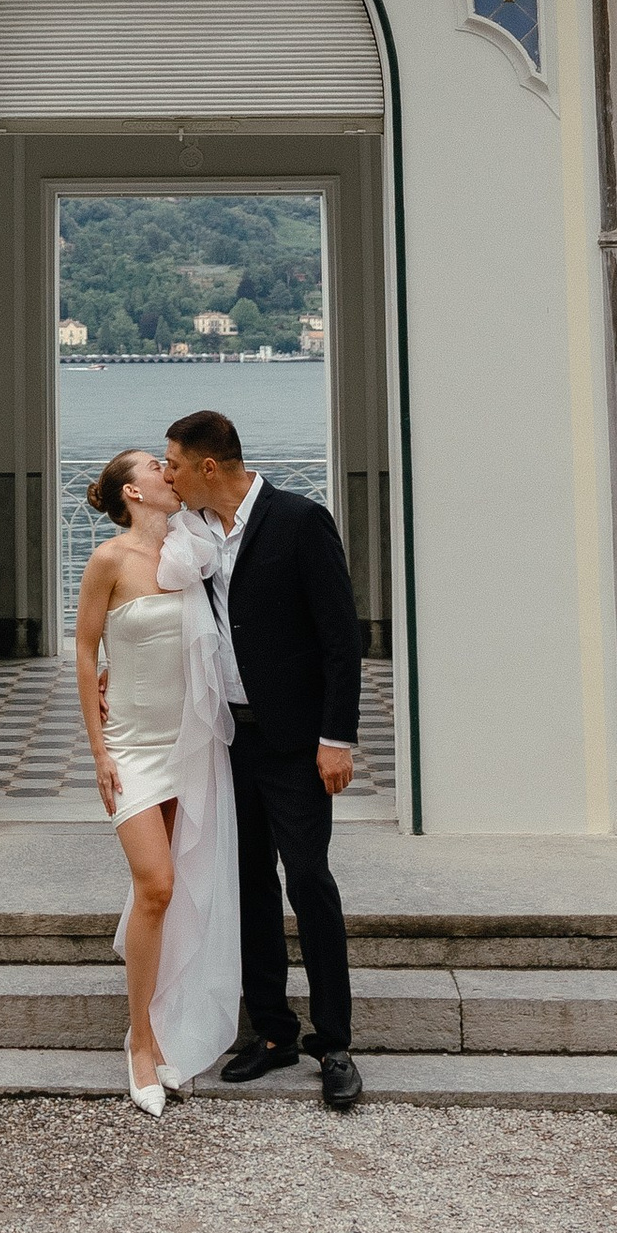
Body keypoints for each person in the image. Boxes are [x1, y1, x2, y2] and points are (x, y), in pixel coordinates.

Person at [165, 406, 365, 1113]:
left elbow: (342, 637)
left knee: (308, 881)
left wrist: (336, 738)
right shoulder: (191, 532)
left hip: (297, 743)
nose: (168, 476)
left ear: (207, 466)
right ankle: (273, 1031)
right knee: (247, 885)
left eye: (175, 465)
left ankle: (334, 1043)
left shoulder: (300, 521)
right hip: (228, 740)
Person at [72, 448, 241, 1115]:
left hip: (188, 745)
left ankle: (165, 1027)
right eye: (152, 466)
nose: (166, 473)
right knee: (157, 884)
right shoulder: (108, 560)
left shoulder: (192, 549)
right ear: (131, 492)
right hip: (131, 748)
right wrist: (98, 752)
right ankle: (139, 1043)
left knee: (173, 889)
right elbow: (85, 650)